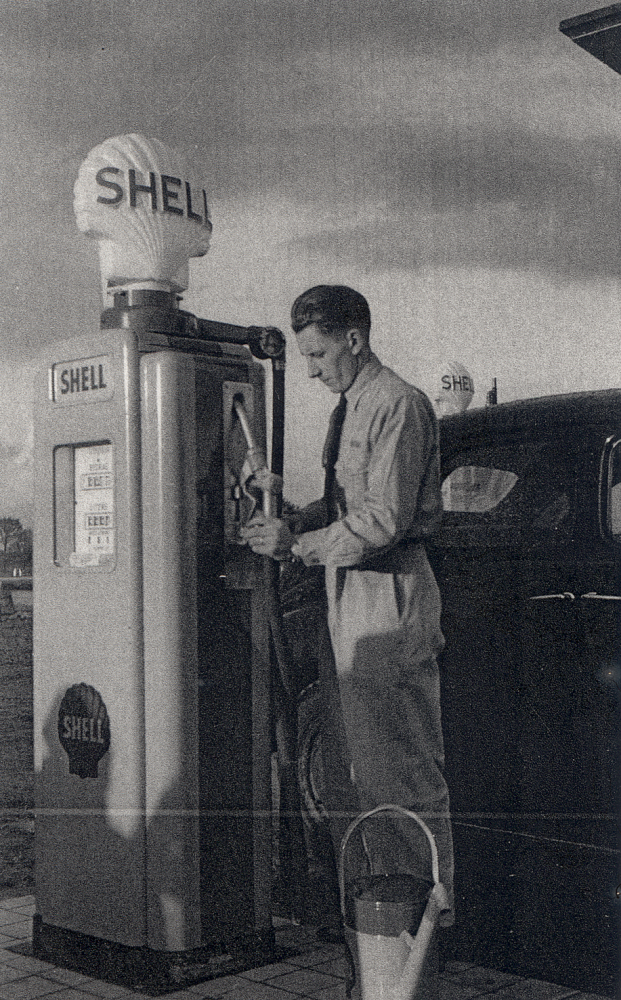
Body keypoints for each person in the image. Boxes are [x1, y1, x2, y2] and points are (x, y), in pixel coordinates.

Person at [241, 284, 454, 926]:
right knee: (357, 766)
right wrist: (291, 506)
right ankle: (375, 912)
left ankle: (422, 920)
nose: (309, 369)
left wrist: (298, 544)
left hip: (387, 594)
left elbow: (384, 521)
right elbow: (349, 511)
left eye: (317, 354)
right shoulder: (352, 405)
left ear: (354, 340)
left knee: (400, 766)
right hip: (350, 594)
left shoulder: (398, 405)